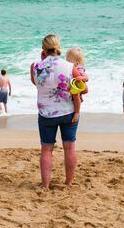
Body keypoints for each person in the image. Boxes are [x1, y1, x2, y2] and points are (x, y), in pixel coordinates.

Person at [30, 34, 85, 189]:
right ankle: (68, 182)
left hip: (46, 113)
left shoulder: (35, 66)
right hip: (68, 111)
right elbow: (80, 87)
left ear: (43, 48)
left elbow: (37, 84)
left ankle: (45, 185)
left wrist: (42, 60)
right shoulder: (69, 66)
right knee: (69, 148)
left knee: (46, 150)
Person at [66, 47, 89, 123]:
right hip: (74, 85)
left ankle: (77, 112)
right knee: (76, 95)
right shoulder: (70, 67)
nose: (67, 62)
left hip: (78, 86)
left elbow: (86, 78)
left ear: (77, 63)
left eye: (69, 61)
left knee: (76, 96)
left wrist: (81, 77)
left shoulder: (79, 68)